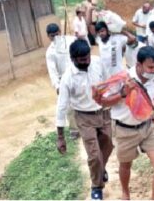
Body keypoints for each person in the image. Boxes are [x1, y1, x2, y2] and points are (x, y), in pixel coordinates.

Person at [94, 46, 154, 200]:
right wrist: (123, 93)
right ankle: (125, 192)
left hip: (148, 127)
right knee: (126, 165)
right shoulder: (122, 79)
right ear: (138, 64)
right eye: (150, 67)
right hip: (124, 129)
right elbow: (103, 102)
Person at [56, 39, 114, 200]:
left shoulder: (97, 63)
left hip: (103, 112)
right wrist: (60, 136)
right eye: (82, 60)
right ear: (73, 59)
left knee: (108, 145)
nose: (86, 62)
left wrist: (111, 98)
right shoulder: (67, 78)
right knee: (94, 155)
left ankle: (101, 169)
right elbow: (61, 107)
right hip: (83, 117)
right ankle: (96, 187)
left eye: (87, 57)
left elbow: (108, 82)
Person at [45, 23, 79, 139]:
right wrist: (57, 86)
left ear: (60, 32)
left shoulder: (71, 40)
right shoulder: (50, 52)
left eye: (56, 34)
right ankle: (74, 129)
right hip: (64, 80)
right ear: (48, 37)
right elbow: (52, 71)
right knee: (69, 106)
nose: (55, 37)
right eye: (52, 36)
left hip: (78, 75)